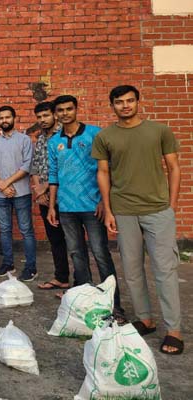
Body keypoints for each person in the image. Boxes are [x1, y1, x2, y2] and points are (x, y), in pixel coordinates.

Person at [93, 85, 183, 355]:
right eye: (119, 102)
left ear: (138, 102)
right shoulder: (105, 136)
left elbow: (174, 167)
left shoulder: (159, 131)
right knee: (132, 270)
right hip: (124, 210)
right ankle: (145, 318)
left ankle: (174, 330)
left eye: (130, 101)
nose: (125, 106)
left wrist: (172, 205)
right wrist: (108, 210)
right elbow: (103, 173)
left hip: (157, 210)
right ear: (112, 105)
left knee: (164, 270)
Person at [47, 95, 123, 316]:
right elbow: (53, 175)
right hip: (67, 208)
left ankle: (114, 305)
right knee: (76, 254)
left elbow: (107, 168)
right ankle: (84, 302)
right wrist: (52, 206)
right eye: (60, 110)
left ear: (76, 109)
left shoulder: (94, 134)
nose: (65, 114)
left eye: (69, 109)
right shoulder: (54, 142)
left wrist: (103, 200)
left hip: (93, 206)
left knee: (100, 254)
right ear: (56, 114)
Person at [0, 106, 36, 281]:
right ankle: (8, 263)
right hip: (0, 194)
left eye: (8, 117)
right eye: (1, 118)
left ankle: (31, 267)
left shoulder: (24, 140)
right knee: (5, 230)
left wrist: (6, 183)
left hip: (21, 192)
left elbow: (26, 166)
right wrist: (1, 185)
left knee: (26, 231)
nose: (4, 120)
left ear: (14, 118)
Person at [30, 102, 70, 292]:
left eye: (45, 116)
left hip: (65, 196)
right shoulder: (40, 139)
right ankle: (61, 277)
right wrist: (39, 192)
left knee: (73, 240)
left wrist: (44, 189)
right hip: (45, 198)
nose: (42, 120)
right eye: (39, 117)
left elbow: (66, 168)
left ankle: (80, 284)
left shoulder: (65, 135)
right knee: (55, 239)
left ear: (54, 114)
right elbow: (35, 166)